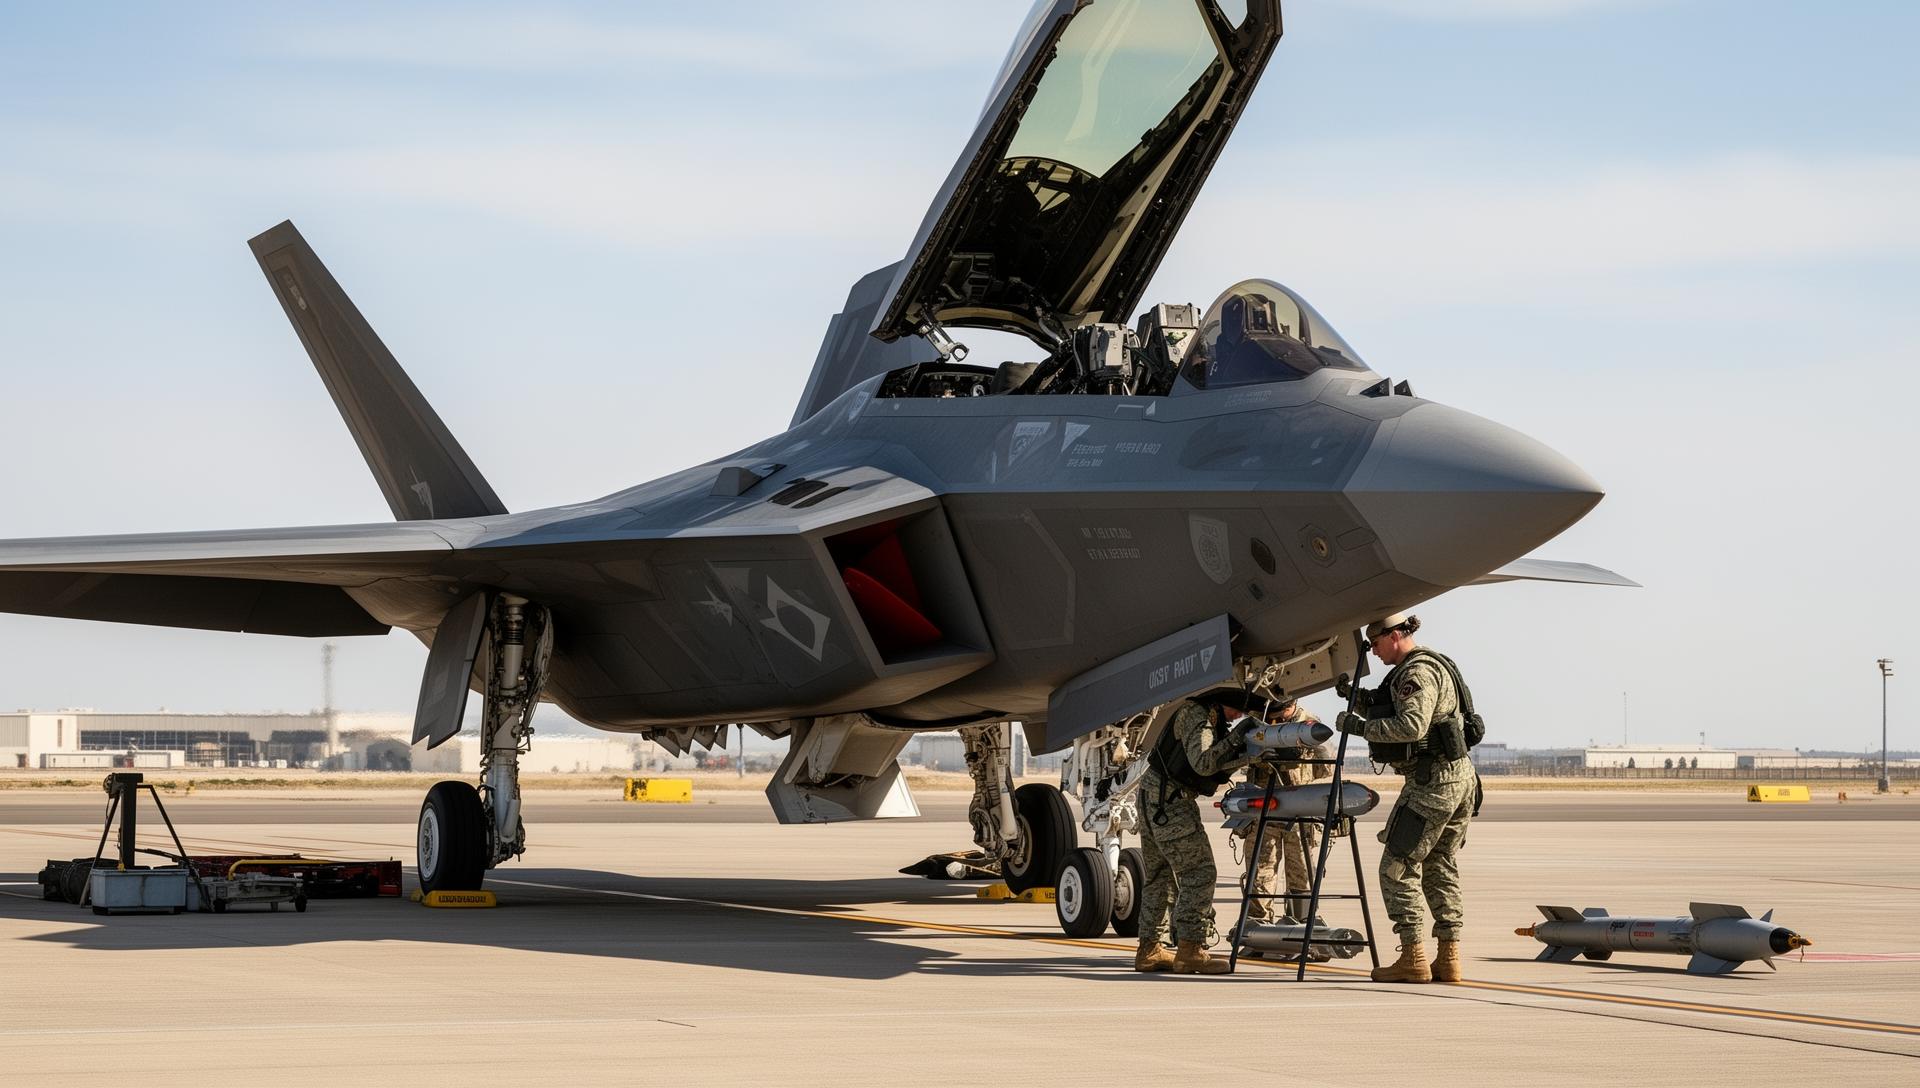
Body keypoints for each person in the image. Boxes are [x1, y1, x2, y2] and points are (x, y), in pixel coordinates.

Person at [1336, 612, 1475, 984]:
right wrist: (1360, 701)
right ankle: (1448, 959)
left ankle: (1413, 956)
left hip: (1434, 784)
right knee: (1439, 864)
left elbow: (1411, 725)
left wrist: (1360, 727)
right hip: (1457, 780)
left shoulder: (1416, 673)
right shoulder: (1428, 665)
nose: (1374, 652)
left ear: (1395, 635)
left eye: (1376, 643)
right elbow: (1399, 708)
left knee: (1396, 868)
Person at [1135, 689, 1257, 974]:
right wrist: (1239, 737)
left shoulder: (1199, 714)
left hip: (1155, 798)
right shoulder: (1198, 716)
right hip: (1171, 802)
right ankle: (1190, 949)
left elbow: (1207, 763)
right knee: (1200, 873)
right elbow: (1203, 763)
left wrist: (1247, 758)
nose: (1239, 715)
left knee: (1160, 875)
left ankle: (1149, 949)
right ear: (1222, 702)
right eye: (1237, 709)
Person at [1234, 697, 1332, 926]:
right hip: (1264, 810)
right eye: (1272, 716)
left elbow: (1325, 768)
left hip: (1300, 813)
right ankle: (1257, 922)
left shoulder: (1310, 725)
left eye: (1282, 714)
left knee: (1302, 871)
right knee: (1260, 870)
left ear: (1293, 706)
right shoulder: (1257, 725)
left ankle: (1302, 920)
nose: (1276, 720)